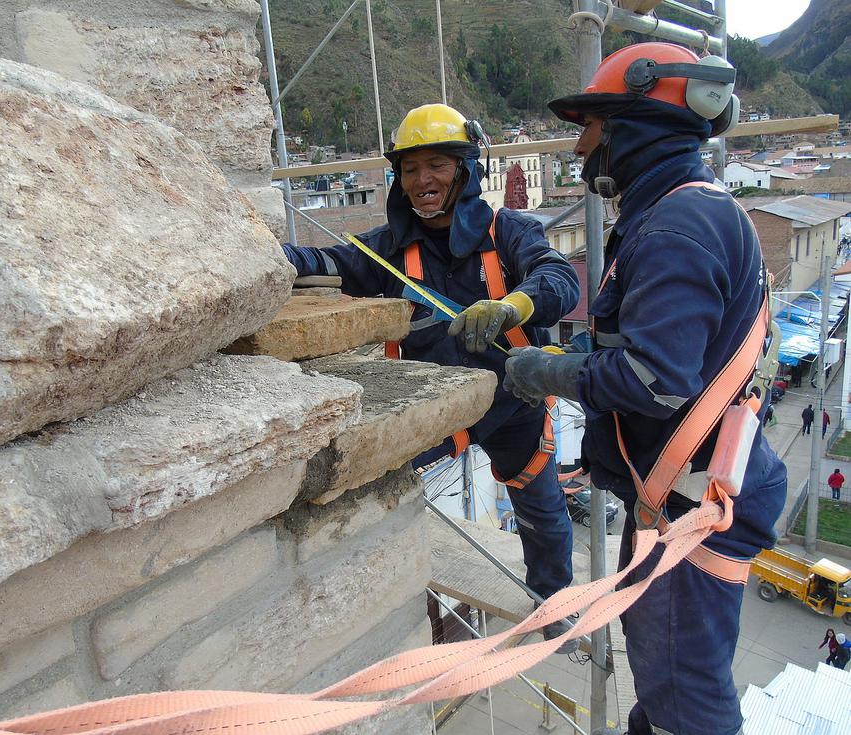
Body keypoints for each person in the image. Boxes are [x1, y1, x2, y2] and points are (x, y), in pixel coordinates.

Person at [504, 42, 787, 735]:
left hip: (688, 507)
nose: (580, 147)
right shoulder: (683, 211)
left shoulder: (675, 227)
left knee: (684, 692)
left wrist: (548, 372)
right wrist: (573, 353)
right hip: (685, 490)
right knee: (666, 674)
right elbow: (640, 345)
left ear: (634, 125)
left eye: (591, 127)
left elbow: (652, 378)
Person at [281, 104, 581, 650]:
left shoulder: (507, 232)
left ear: (466, 169)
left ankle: (551, 602)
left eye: (438, 164)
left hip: (511, 404)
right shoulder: (390, 249)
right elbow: (322, 262)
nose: (423, 180)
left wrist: (513, 307)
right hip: (437, 408)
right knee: (375, 486)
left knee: (540, 510)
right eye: (411, 168)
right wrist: (269, 256)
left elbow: (559, 279)